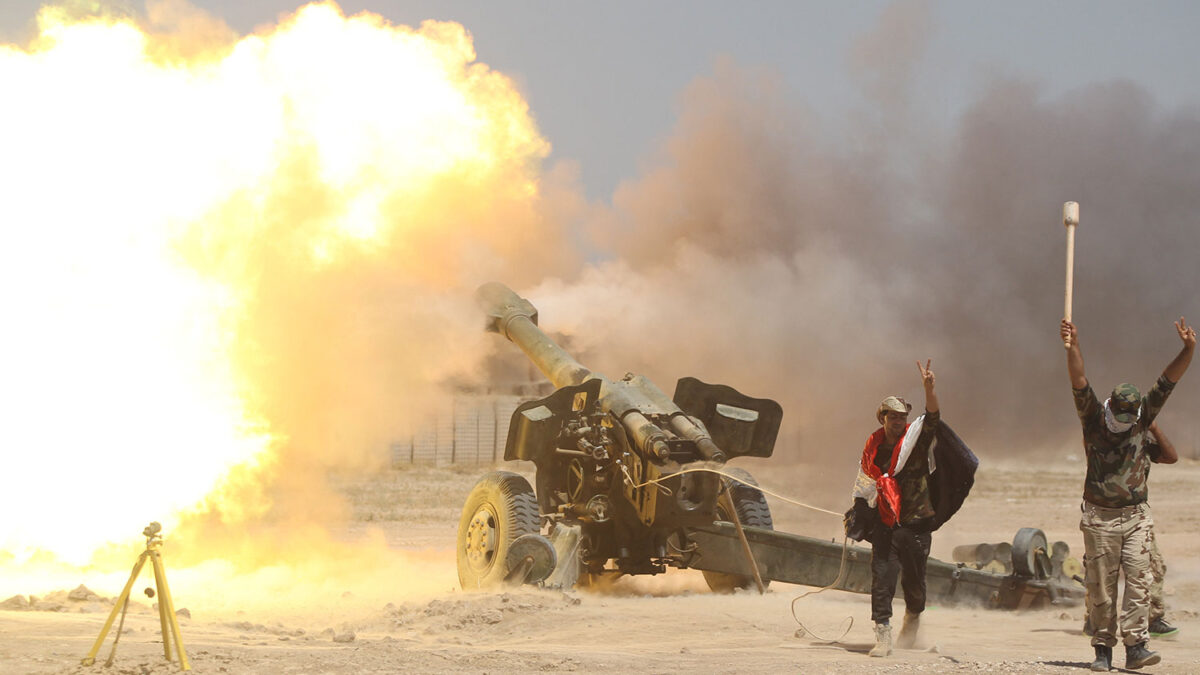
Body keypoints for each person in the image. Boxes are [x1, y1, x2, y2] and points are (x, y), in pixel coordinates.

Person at [1060, 317, 1195, 672]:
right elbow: (1079, 380)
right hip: (1100, 518)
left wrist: (1188, 349)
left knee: (1139, 582)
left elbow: (1169, 380)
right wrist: (1073, 346)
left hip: (1135, 517)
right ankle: (1102, 650)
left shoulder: (1142, 415)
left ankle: (1136, 646)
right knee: (1102, 588)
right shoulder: (1092, 418)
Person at [850, 360, 940, 658]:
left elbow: (933, 418)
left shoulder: (914, 442)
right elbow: (864, 483)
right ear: (883, 418)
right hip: (885, 524)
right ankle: (883, 634)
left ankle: (912, 619)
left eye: (903, 416)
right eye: (893, 416)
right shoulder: (872, 448)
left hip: (915, 522)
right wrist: (859, 512)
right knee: (882, 577)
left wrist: (929, 389)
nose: (899, 420)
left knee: (914, 581)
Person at [1082, 420, 1181, 641]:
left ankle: (1152, 619)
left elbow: (1171, 457)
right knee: (1101, 572)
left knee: (1152, 566)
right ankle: (1094, 620)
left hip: (1134, 516)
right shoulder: (1102, 439)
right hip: (1104, 517)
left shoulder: (1142, 442)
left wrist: (1154, 427)